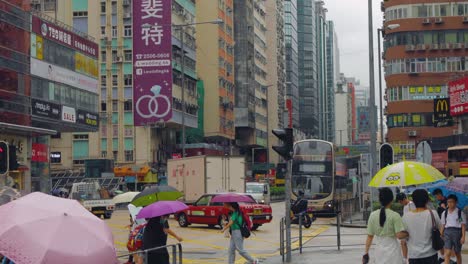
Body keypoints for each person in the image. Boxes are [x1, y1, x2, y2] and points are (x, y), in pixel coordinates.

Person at [364, 188, 408, 264]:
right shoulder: (395, 215)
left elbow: (370, 237)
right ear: (391, 200)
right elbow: (399, 235)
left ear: (379, 200)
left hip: (379, 251)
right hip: (393, 251)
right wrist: (408, 233)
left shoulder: (372, 215)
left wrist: (366, 253)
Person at [403, 189, 441, 264]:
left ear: (413, 201)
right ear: (427, 200)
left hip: (414, 255)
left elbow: (403, 237)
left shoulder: (406, 216)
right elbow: (440, 228)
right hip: (431, 254)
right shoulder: (433, 214)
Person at [440, 194, 466, 264]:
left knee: (457, 253)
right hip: (447, 233)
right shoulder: (445, 213)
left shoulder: (459, 213)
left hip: (457, 233)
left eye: (452, 202)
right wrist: (440, 234)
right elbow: (443, 224)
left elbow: (463, 225)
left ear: (456, 202)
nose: (450, 204)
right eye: (448, 202)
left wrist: (463, 237)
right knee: (447, 252)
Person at [396, 192, 416, 262]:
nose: (400, 203)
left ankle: (408, 258)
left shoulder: (411, 204)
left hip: (412, 227)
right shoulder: (405, 206)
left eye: (401, 201)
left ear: (404, 199)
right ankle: (405, 258)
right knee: (403, 242)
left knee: (406, 242)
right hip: (406, 227)